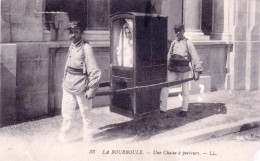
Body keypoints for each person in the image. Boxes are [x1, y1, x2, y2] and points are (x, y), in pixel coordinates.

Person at [59, 21, 101, 142]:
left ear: (81, 33)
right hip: (68, 85)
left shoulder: (86, 48)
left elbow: (94, 69)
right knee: (67, 114)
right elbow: (67, 65)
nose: (73, 35)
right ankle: (63, 137)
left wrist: (92, 88)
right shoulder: (71, 46)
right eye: (71, 33)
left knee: (86, 113)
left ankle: (88, 139)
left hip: (82, 86)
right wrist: (64, 79)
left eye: (76, 32)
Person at [160, 24, 203, 117]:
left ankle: (184, 109)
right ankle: (162, 108)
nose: (178, 32)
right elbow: (168, 56)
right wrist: (166, 67)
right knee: (165, 86)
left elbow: (195, 57)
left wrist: (197, 71)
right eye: (176, 31)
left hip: (184, 70)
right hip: (173, 69)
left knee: (185, 89)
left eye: (179, 30)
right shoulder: (173, 43)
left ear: (183, 31)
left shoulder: (188, 43)